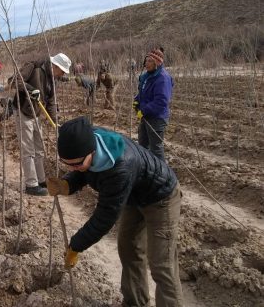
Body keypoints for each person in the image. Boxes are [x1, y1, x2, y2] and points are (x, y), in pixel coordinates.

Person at [47, 116, 183, 307]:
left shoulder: (120, 167)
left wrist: (76, 245)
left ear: (92, 152)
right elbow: (84, 170)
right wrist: (68, 183)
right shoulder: (88, 143)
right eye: (67, 164)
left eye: (76, 164)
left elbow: (105, 217)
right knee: (128, 248)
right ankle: (135, 302)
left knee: (162, 264)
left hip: (161, 197)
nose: (73, 168)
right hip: (133, 195)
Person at [10, 52, 72, 196]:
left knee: (39, 148)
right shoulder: (34, 66)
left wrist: (56, 124)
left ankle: (41, 180)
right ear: (54, 66)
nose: (62, 75)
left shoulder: (53, 79)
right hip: (23, 111)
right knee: (28, 149)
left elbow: (50, 102)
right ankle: (31, 185)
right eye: (61, 71)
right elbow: (13, 81)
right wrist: (31, 90)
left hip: (36, 113)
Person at [133, 48, 173, 160]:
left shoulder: (163, 78)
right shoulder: (147, 76)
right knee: (143, 146)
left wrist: (144, 110)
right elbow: (143, 92)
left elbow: (161, 101)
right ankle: (147, 170)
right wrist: (137, 100)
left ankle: (162, 174)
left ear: (157, 63)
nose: (146, 63)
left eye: (150, 61)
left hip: (157, 118)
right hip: (146, 116)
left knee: (156, 149)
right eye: (146, 60)